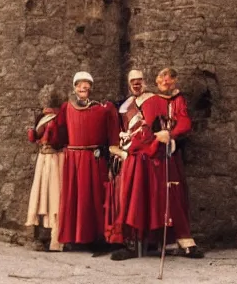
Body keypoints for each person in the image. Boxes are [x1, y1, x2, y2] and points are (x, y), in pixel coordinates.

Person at [138, 68, 205, 258]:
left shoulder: (178, 100)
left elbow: (184, 122)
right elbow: (145, 128)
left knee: (174, 194)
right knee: (155, 197)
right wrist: (156, 137)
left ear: (174, 82)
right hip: (154, 156)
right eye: (162, 80)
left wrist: (172, 134)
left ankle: (184, 240)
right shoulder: (150, 101)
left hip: (171, 154)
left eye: (169, 81)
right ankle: (155, 240)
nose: (165, 84)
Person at [57, 71, 120, 250]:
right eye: (81, 84)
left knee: (95, 197)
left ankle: (98, 237)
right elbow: (60, 131)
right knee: (75, 198)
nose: (84, 87)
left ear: (91, 88)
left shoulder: (101, 108)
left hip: (94, 159)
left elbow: (112, 129)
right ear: (75, 87)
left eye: (87, 84)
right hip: (74, 160)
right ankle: (74, 238)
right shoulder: (66, 108)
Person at [108, 70, 158, 260]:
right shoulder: (126, 105)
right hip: (129, 156)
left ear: (145, 82)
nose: (136, 85)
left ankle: (147, 240)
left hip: (147, 157)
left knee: (144, 199)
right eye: (132, 82)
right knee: (128, 198)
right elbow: (123, 128)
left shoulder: (153, 101)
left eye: (139, 81)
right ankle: (130, 242)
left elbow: (153, 128)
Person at [26, 89, 66, 251]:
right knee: (42, 196)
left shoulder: (60, 118)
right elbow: (35, 137)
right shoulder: (42, 118)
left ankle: (55, 239)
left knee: (54, 198)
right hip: (45, 158)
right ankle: (41, 236)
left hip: (55, 158)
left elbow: (59, 139)